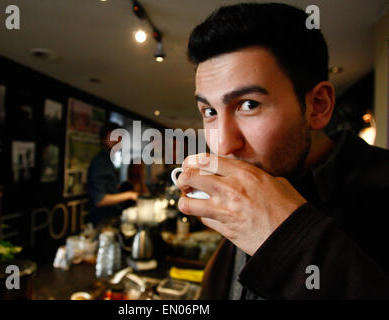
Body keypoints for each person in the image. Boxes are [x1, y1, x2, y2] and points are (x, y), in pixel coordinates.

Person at [174, 2, 389, 299]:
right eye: (209, 111)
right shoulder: (256, 186)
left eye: (249, 104)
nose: (222, 144)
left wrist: (289, 240)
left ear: (318, 106)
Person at [87, 122, 138, 228]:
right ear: (103, 139)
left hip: (108, 218)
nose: (118, 140)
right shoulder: (101, 162)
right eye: (113, 137)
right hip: (102, 220)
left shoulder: (108, 160)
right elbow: (100, 199)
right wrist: (129, 194)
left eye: (119, 137)